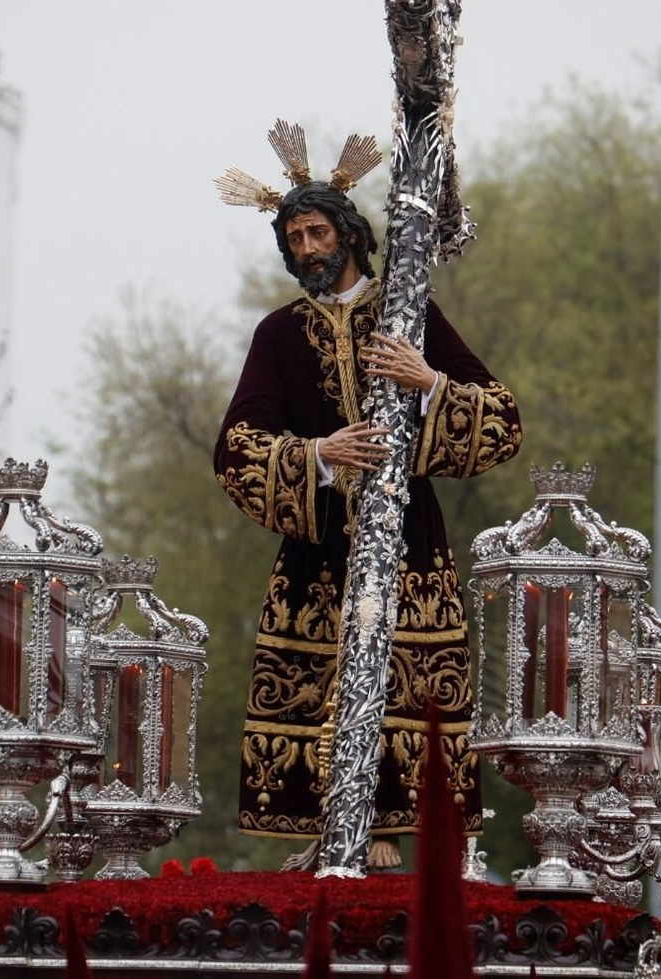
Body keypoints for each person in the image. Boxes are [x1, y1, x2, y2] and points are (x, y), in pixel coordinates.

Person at [213, 148, 521, 870]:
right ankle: (330, 823)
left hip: (408, 540)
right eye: (295, 238)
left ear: (348, 234)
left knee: (406, 671)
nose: (307, 248)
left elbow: (502, 418)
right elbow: (236, 447)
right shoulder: (279, 333)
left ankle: (389, 822)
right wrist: (319, 454)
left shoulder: (407, 311)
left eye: (318, 233)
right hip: (318, 546)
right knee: (319, 675)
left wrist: (427, 380)